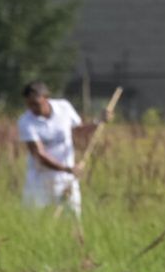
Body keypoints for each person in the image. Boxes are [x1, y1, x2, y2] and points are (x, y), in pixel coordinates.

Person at [17, 81, 112, 218]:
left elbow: (78, 131)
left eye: (36, 104)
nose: (32, 109)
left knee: (72, 218)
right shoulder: (25, 122)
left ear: (46, 98)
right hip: (39, 180)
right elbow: (39, 154)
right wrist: (67, 169)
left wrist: (98, 122)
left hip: (66, 179)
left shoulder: (64, 107)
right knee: (33, 219)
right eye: (29, 104)